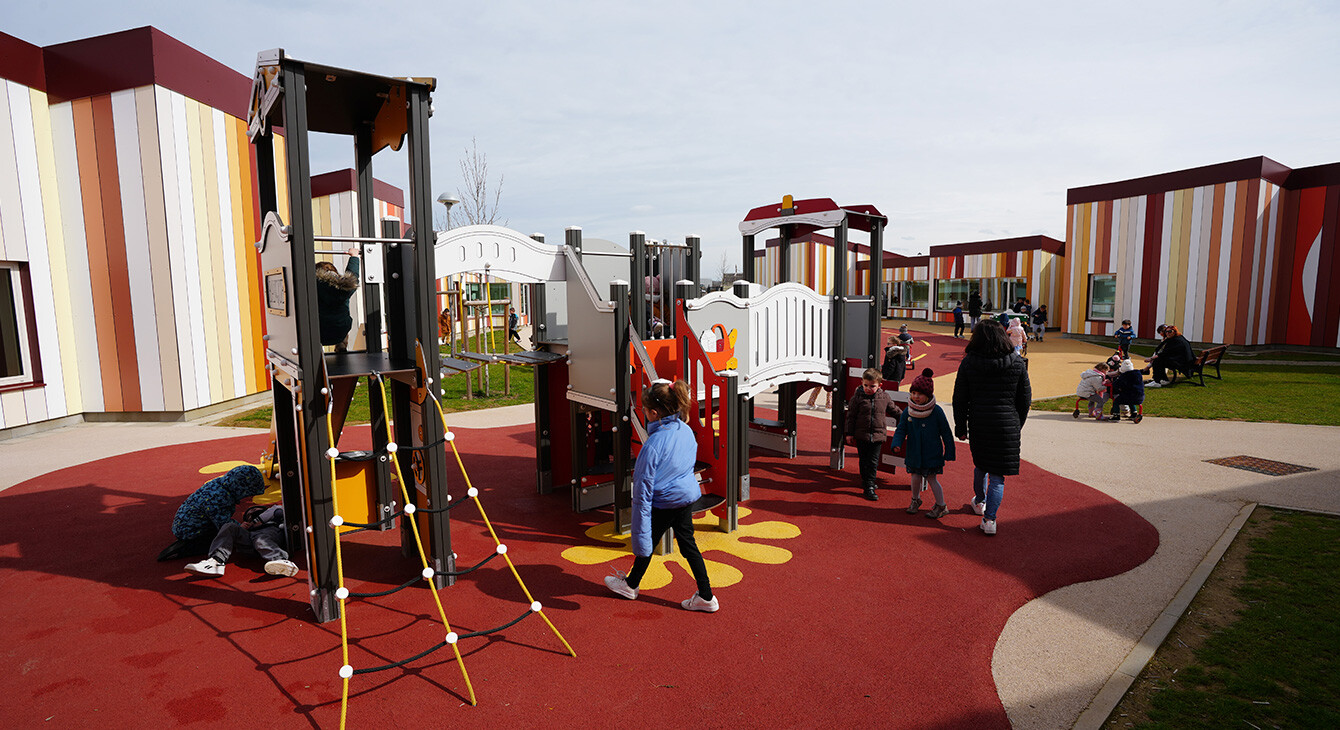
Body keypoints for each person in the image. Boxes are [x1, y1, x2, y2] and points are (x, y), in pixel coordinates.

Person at [604, 380, 718, 613]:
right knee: (688, 545)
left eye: (644, 410)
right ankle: (706, 595)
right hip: (684, 496)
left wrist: (639, 520)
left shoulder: (653, 444)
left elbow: (644, 487)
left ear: (653, 413)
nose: (644, 414)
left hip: (664, 500)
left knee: (649, 539)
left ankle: (631, 584)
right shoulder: (685, 430)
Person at [952, 320, 1031, 536]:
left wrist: (961, 426)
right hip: (1007, 424)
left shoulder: (969, 363)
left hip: (980, 421)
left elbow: (960, 398)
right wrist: (1017, 424)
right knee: (998, 476)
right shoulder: (1016, 362)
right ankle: (990, 520)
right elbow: (1025, 399)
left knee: (981, 465)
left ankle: (979, 501)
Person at [157, 465, 268, 561]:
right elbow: (223, 523)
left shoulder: (219, 485)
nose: (250, 498)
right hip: (190, 530)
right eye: (249, 494)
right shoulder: (219, 498)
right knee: (220, 539)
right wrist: (239, 527)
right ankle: (186, 548)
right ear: (241, 489)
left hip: (184, 523)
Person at [889, 368, 955, 518]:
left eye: (920, 394)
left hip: (931, 453)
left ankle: (941, 505)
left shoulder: (936, 411)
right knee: (914, 477)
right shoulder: (908, 410)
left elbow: (946, 432)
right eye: (913, 393)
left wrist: (949, 450)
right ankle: (915, 499)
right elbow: (901, 429)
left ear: (928, 395)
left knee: (932, 479)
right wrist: (896, 443)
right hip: (914, 452)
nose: (916, 397)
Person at [184, 504, 298, 578]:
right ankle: (216, 561)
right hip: (249, 538)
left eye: (254, 509)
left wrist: (260, 520)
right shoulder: (248, 527)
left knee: (260, 540)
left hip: (270, 533)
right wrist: (243, 528)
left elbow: (280, 510)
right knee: (229, 526)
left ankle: (280, 560)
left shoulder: (273, 515)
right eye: (248, 514)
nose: (251, 512)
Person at [845, 368, 902, 501]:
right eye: (865, 385)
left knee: (873, 461)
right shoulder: (857, 398)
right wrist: (849, 433)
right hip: (862, 435)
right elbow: (851, 417)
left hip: (877, 436)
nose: (868, 388)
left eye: (872, 386)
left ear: (879, 385)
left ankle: (869, 484)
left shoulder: (884, 397)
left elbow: (895, 411)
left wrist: (906, 418)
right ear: (861, 383)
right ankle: (867, 482)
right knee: (864, 461)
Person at [316, 246, 361, 351]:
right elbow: (353, 276)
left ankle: (316, 354)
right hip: (340, 331)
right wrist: (354, 257)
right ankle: (341, 347)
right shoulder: (343, 288)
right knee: (342, 321)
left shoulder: (312, 287)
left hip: (318, 331)